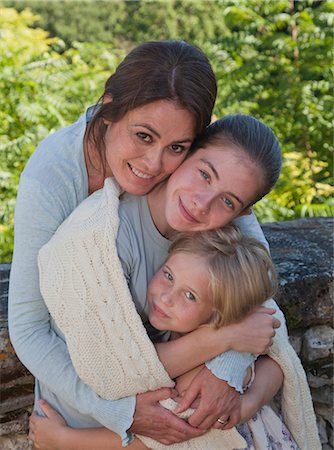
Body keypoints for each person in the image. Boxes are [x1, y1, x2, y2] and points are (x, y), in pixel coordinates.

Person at [31, 115, 319, 448]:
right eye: (204, 174)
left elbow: (270, 338)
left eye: (228, 201)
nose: (201, 202)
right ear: (185, 154)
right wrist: (225, 338)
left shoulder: (217, 245)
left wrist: (240, 393)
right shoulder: (104, 239)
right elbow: (118, 372)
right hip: (81, 422)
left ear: (242, 213)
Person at [8, 39, 225, 446]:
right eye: (143, 136)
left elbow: (248, 261)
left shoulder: (196, 170)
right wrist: (118, 411)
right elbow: (28, 327)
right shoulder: (51, 177)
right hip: (76, 415)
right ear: (109, 108)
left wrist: (228, 365)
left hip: (173, 394)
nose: (154, 165)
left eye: (177, 147)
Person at [29, 227, 298, 450]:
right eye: (168, 275)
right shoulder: (219, 341)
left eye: (190, 295)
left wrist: (63, 440)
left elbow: (154, 442)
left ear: (219, 316)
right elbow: (275, 364)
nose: (166, 297)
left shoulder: (200, 379)